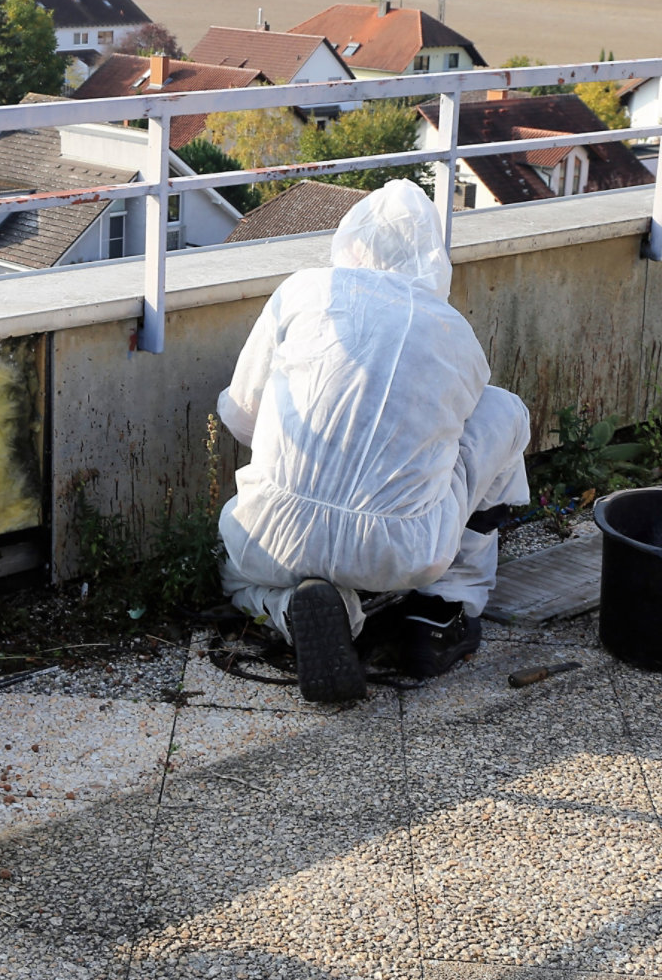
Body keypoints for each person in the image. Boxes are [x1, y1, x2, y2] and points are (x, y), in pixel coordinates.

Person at [215, 178, 531, 702]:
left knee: (233, 572)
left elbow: (242, 419)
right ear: (433, 258)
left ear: (350, 243)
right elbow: (451, 442)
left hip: (268, 536)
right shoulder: (457, 337)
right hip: (404, 553)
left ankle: (296, 612)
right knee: (503, 410)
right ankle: (443, 607)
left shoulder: (303, 289)